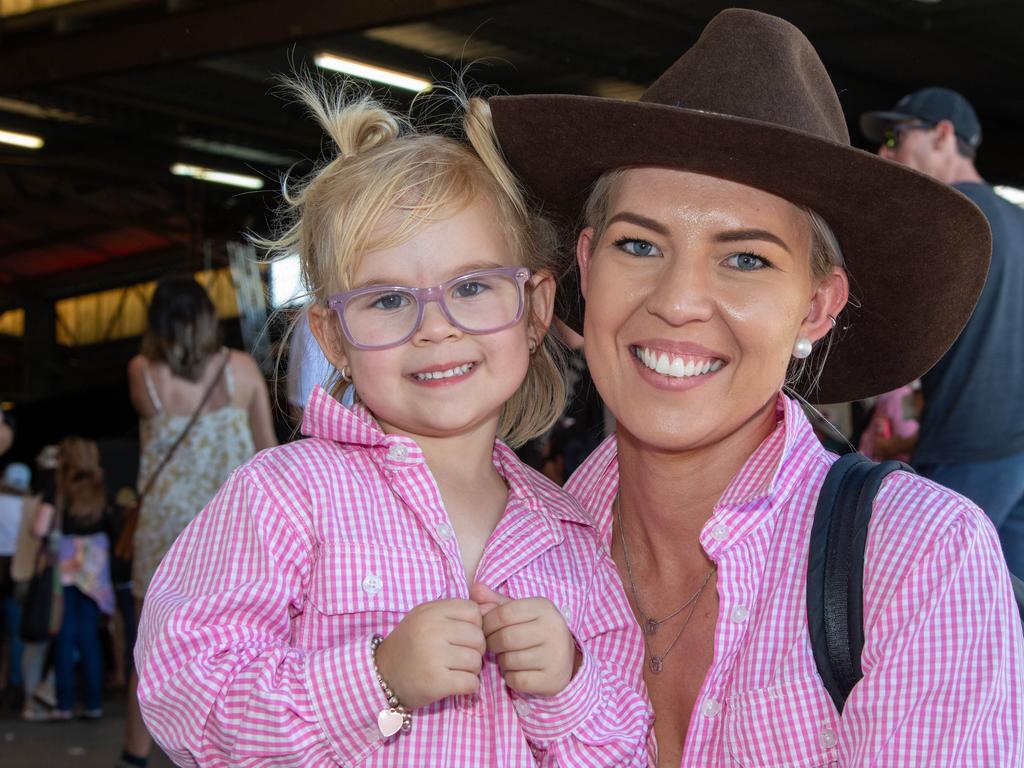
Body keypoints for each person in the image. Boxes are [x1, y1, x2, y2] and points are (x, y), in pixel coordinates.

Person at [488, 8, 1024, 766]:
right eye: (638, 244)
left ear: (816, 306)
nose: (677, 300)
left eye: (745, 259)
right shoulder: (515, 556)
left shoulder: (917, 564)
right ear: (585, 264)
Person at [133, 83, 652, 766]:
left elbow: (626, 750)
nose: (435, 327)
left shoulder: (572, 539)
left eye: (471, 287)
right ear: (335, 337)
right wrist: (375, 681)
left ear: (533, 310)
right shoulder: (287, 498)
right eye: (387, 299)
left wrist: (569, 683)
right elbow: (184, 695)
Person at [860, 88, 1024, 576]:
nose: (884, 151)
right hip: (1015, 450)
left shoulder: (946, 221)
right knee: (1008, 607)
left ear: (943, 135)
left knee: (917, 598)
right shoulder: (1018, 219)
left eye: (895, 135)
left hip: (964, 445)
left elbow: (889, 335)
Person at [120, 275, 277, 767]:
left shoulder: (142, 371)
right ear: (209, 316)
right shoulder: (241, 368)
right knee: (242, 640)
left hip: (164, 525)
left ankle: (134, 754)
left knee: (154, 647)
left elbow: (153, 445)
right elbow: (268, 453)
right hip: (229, 529)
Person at [48, 437, 115, 721]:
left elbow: (51, 527)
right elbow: (111, 525)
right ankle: (93, 703)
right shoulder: (100, 487)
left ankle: (63, 704)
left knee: (65, 635)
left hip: (64, 565)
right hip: (94, 568)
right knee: (89, 636)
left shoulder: (61, 488)